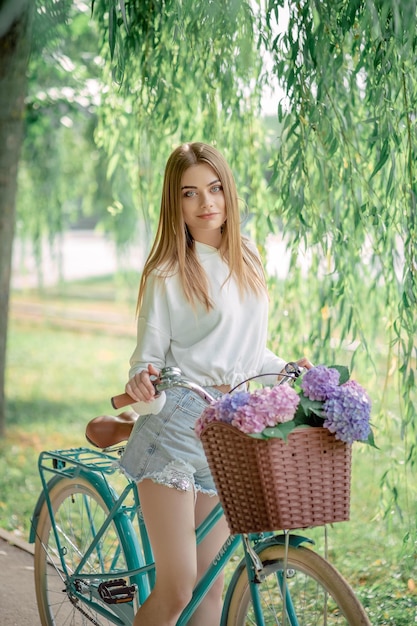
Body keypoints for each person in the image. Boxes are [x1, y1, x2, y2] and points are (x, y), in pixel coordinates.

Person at [117, 142, 312, 626]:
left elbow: (246, 353)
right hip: (177, 433)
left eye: (215, 187)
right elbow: (146, 361)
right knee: (178, 590)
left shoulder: (247, 254)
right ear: (175, 203)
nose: (207, 202)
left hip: (228, 433)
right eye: (190, 193)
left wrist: (287, 366)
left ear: (228, 191)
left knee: (210, 587)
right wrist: (141, 379)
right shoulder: (168, 273)